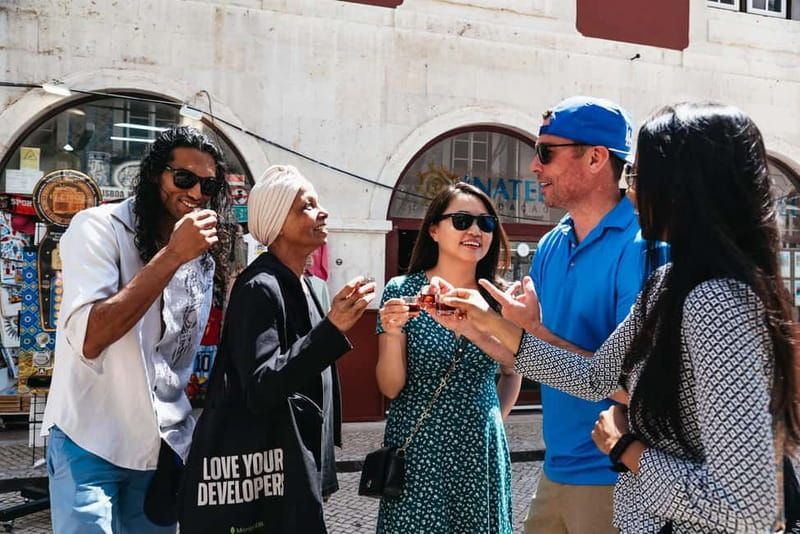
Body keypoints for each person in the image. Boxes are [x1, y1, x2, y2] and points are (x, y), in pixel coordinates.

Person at [441, 102, 800, 532]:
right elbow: (595, 377)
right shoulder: (667, 282)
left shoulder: (717, 303)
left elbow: (748, 507)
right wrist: (484, 321)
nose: (629, 191)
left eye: (638, 176)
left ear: (685, 187)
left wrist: (625, 447)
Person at [43, 126, 231, 533]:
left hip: (162, 445)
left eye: (209, 185)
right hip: (89, 438)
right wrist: (172, 255)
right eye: (184, 179)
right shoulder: (98, 227)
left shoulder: (201, 260)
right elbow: (92, 337)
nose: (197, 193)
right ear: (154, 176)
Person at [505, 95, 648, 534]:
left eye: (546, 151)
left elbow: (629, 382)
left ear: (596, 157)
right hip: (556, 469)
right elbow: (527, 349)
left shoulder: (641, 245)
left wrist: (529, 331)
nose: (534, 166)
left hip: (614, 475)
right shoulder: (551, 243)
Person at [214, 164, 374, 528]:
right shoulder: (260, 287)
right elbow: (261, 385)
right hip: (275, 470)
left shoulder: (303, 283)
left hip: (304, 463)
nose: (322, 212)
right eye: (306, 206)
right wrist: (332, 328)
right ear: (277, 222)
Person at [375, 182, 521, 533]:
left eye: (485, 224)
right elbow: (390, 387)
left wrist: (490, 418)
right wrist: (392, 333)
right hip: (419, 445)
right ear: (434, 230)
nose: (474, 231)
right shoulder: (402, 290)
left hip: (479, 447)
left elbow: (513, 369)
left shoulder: (500, 297)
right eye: (461, 220)